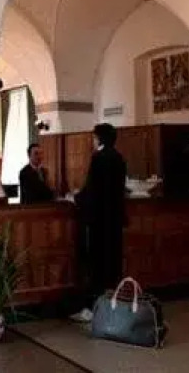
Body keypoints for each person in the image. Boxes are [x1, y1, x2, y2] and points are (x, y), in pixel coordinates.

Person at [70, 123, 127, 323]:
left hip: (98, 220)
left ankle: (92, 309)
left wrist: (75, 198)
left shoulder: (98, 158)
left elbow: (92, 190)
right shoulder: (119, 158)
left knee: (95, 265)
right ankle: (112, 308)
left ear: (99, 138)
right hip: (115, 220)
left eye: (94, 137)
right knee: (112, 263)